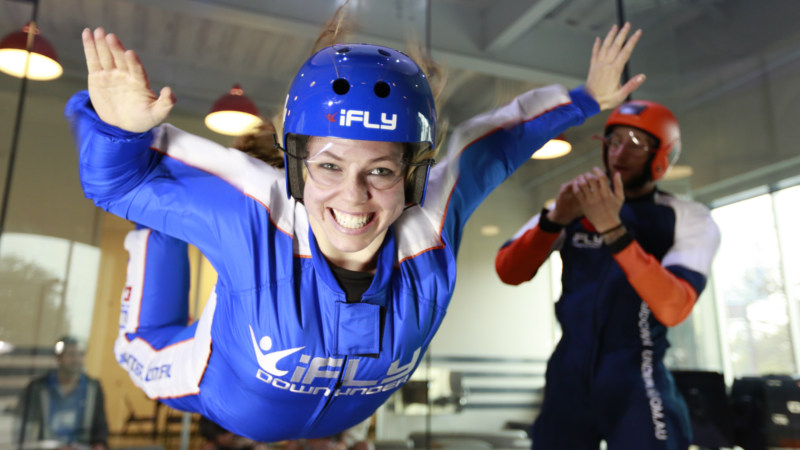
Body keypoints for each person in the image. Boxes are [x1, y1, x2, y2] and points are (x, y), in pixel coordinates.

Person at [65, 18, 644, 441]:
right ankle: (162, 232)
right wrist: (116, 130)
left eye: (382, 171)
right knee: (143, 299)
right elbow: (118, 183)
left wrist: (585, 98)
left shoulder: (430, 227)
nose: (354, 197)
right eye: (330, 167)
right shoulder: (256, 211)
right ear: (297, 168)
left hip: (334, 415)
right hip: (210, 383)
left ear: (413, 176)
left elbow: (495, 142)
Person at [494, 100, 721, 449]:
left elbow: (674, 307)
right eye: (614, 141)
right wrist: (553, 222)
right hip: (567, 375)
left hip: (637, 377)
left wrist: (613, 230)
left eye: (636, 143)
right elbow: (508, 271)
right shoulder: (570, 205)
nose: (620, 153)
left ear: (662, 155)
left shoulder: (687, 217)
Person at [15, 337, 109, 450]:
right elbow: (24, 430)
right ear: (58, 357)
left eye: (81, 354)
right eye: (71, 354)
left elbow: (101, 427)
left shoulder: (93, 388)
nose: (77, 359)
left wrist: (99, 444)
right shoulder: (37, 388)